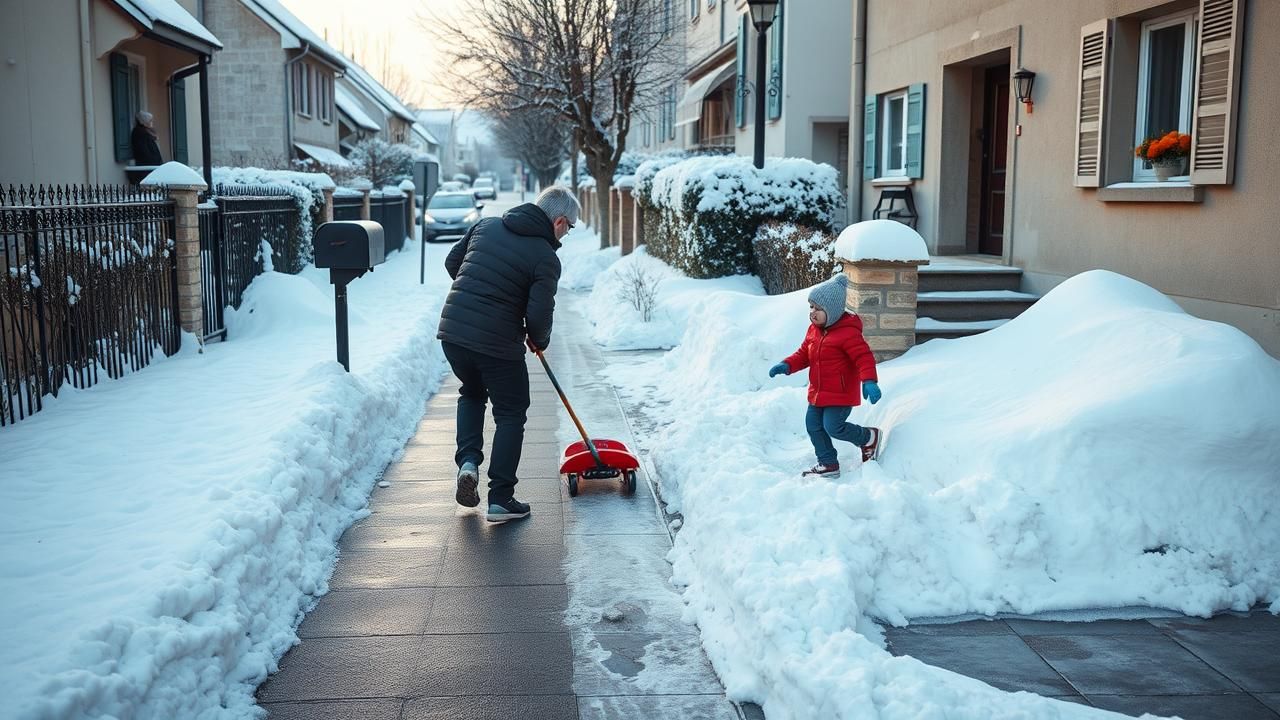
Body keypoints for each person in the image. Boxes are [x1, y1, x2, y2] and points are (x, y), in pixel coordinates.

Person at [437, 186, 579, 522]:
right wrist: (537, 339)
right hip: (497, 343)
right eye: (569, 228)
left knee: (471, 393)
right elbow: (540, 314)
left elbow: (452, 262)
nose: (567, 234)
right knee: (511, 412)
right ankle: (501, 497)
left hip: (454, 333)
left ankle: (468, 463)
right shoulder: (546, 257)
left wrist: (479, 293)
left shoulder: (486, 225)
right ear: (559, 221)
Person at [768, 274, 882, 478]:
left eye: (818, 308)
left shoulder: (848, 333)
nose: (813, 312)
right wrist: (786, 365)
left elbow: (863, 357)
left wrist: (869, 381)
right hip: (818, 392)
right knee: (813, 426)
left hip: (840, 393)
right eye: (811, 307)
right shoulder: (814, 331)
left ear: (833, 311)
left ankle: (867, 437)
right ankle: (828, 463)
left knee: (833, 427)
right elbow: (804, 354)